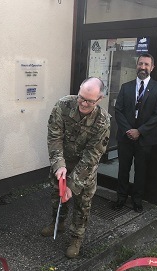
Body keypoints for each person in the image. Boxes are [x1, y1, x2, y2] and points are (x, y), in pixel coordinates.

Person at [41, 77, 111, 259]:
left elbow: (92, 156)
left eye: (89, 101)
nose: (83, 103)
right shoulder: (63, 105)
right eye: (81, 97)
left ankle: (76, 239)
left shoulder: (103, 121)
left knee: (82, 206)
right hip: (62, 164)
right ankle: (58, 224)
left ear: (100, 99)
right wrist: (59, 165)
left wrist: (73, 184)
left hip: (84, 171)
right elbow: (54, 137)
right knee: (57, 197)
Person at [113, 53, 157, 213]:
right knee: (123, 169)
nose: (143, 67)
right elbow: (118, 110)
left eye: (146, 64)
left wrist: (139, 131)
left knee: (141, 171)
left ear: (152, 67)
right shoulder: (126, 87)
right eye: (140, 64)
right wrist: (128, 130)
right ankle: (121, 198)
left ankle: (137, 200)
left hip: (145, 138)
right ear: (136, 65)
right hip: (125, 136)